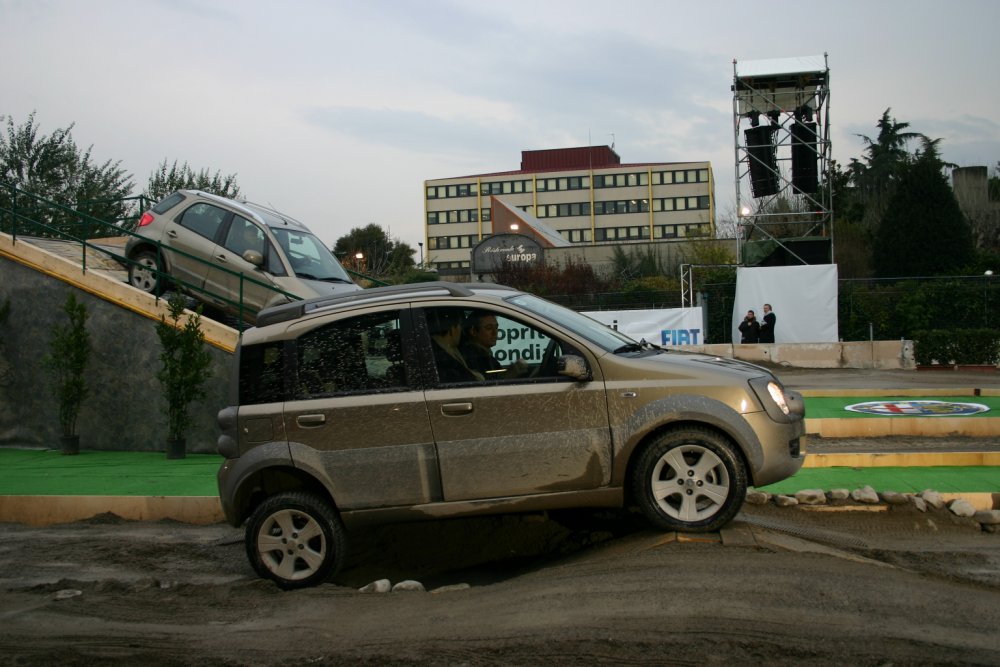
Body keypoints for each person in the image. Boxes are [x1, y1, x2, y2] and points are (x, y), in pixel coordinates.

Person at [460, 311, 528, 378]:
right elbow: (489, 384)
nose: (495, 333)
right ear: (473, 331)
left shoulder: (484, 355)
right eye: (489, 328)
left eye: (496, 327)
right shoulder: (476, 358)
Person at [428, 309, 484, 383]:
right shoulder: (439, 356)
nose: (461, 331)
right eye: (460, 327)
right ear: (452, 328)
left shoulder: (450, 349)